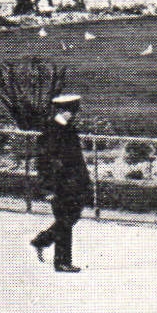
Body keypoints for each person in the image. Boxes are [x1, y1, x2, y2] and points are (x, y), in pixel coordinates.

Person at [30, 94, 92, 273]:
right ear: (62, 111)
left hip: (73, 184)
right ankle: (62, 262)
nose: (73, 115)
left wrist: (84, 182)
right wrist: (48, 187)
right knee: (64, 221)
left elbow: (77, 159)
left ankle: (42, 241)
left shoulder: (68, 129)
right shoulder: (51, 131)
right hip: (59, 185)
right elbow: (43, 162)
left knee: (70, 218)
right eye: (71, 112)